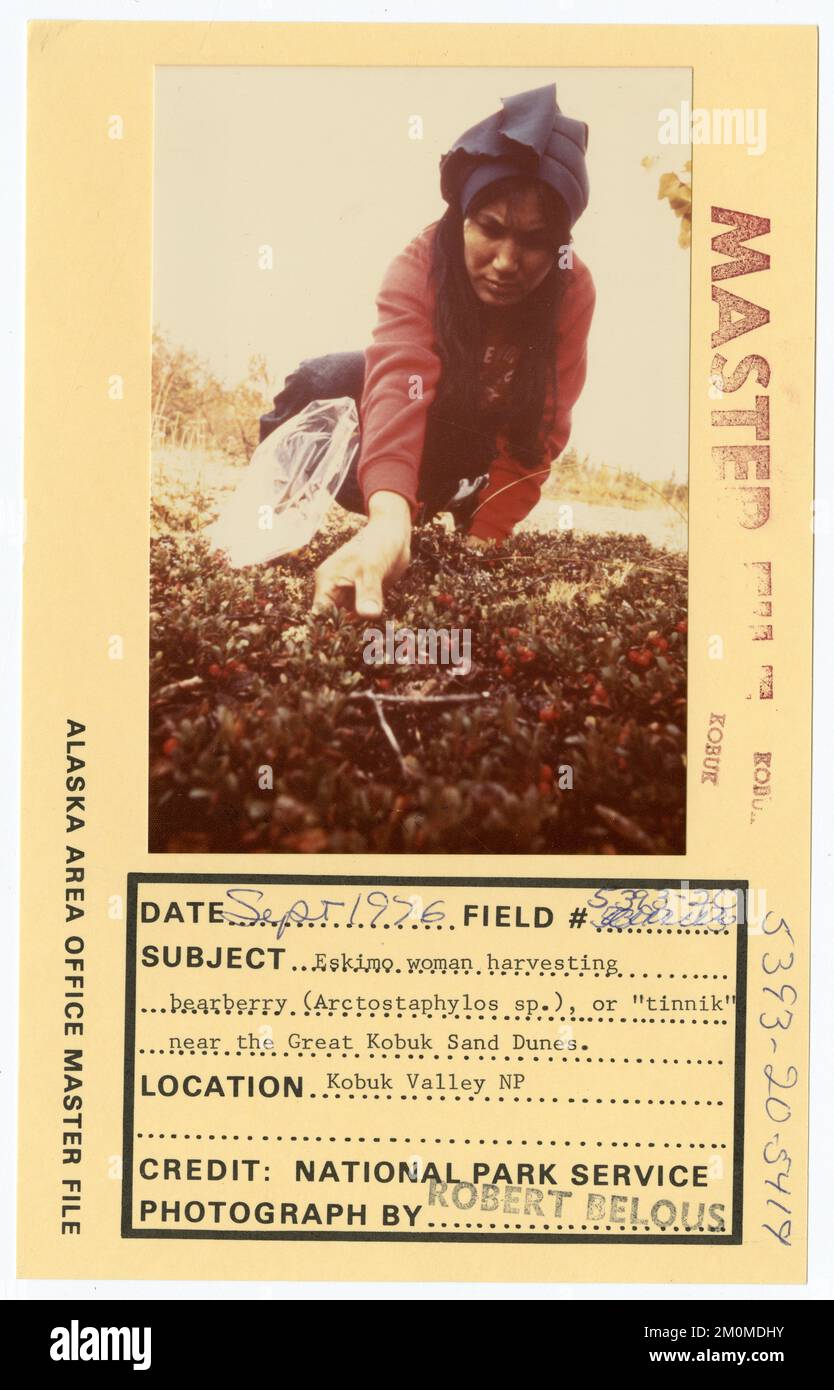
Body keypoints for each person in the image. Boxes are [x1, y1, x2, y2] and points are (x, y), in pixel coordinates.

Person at [259, 82, 596, 617]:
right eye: (491, 228)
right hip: (410, 442)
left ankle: (464, 503)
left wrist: (486, 537)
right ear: (462, 217)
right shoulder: (419, 265)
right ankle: (289, 516)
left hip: (475, 452)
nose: (508, 262)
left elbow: (543, 425)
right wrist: (390, 522)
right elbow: (398, 382)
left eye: (535, 241)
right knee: (324, 379)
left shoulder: (572, 289)